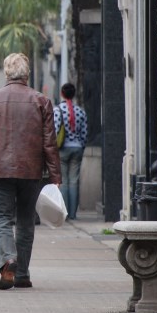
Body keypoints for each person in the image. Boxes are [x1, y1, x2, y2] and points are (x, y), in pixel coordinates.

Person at [0, 53, 61, 290]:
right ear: (27, 73)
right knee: (25, 220)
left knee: (1, 217)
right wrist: (54, 176)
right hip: (31, 170)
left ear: (6, 73)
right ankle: (22, 273)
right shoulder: (41, 101)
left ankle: (7, 259)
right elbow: (49, 142)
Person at [54, 83, 88, 220]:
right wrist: (81, 146)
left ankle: (65, 214)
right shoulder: (80, 111)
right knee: (74, 181)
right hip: (77, 148)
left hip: (62, 149)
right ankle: (73, 214)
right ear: (73, 94)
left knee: (64, 181)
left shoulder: (58, 110)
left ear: (62, 93)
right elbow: (85, 133)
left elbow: (55, 130)